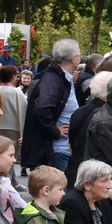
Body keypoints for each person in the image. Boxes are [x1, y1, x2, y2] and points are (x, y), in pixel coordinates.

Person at [21, 39, 83, 174]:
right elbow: (42, 108)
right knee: (60, 191)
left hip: (62, 148)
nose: (80, 58)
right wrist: (54, 130)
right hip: (57, 150)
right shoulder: (53, 80)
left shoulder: (61, 78)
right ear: (73, 59)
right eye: (79, 55)